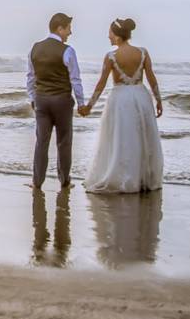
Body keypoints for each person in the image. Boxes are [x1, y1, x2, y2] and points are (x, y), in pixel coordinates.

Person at [79, 18, 164, 193]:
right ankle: (142, 178)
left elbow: (101, 84)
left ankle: (124, 176)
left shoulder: (111, 56)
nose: (108, 36)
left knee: (121, 138)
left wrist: (89, 106)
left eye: (110, 33)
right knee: (141, 137)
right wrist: (158, 99)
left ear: (117, 36)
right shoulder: (143, 52)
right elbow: (151, 77)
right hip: (141, 96)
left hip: (120, 100)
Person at [26, 12, 88, 189]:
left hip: (42, 100)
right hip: (61, 101)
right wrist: (82, 103)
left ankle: (37, 182)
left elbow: (30, 77)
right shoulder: (68, 51)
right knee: (64, 142)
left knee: (41, 141)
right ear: (59, 28)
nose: (70, 32)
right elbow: (75, 79)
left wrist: (32, 97)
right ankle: (65, 181)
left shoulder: (34, 48)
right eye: (68, 28)